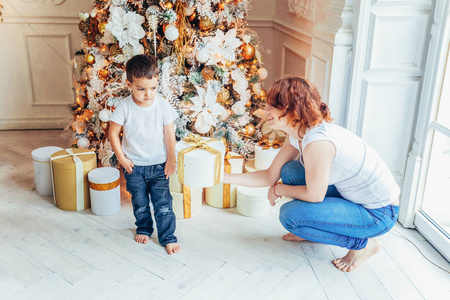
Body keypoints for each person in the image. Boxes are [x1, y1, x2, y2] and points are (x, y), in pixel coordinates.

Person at [223, 76, 400, 272]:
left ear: (293, 111)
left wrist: (279, 188)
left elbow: (315, 196)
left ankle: (364, 245)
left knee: (290, 217)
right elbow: (268, 176)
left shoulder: (317, 143)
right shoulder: (297, 134)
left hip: (379, 213)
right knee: (289, 170)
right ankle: (315, 228)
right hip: (353, 196)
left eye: (272, 106)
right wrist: (223, 177)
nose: (265, 110)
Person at [109, 54, 180, 255]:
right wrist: (122, 159)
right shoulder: (124, 106)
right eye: (141, 89)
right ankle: (144, 228)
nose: (148, 94)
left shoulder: (162, 105)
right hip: (135, 167)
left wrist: (171, 159)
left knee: (163, 204)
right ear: (129, 84)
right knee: (140, 203)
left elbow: (169, 133)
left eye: (153, 88)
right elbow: (113, 133)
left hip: (159, 165)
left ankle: (168, 237)